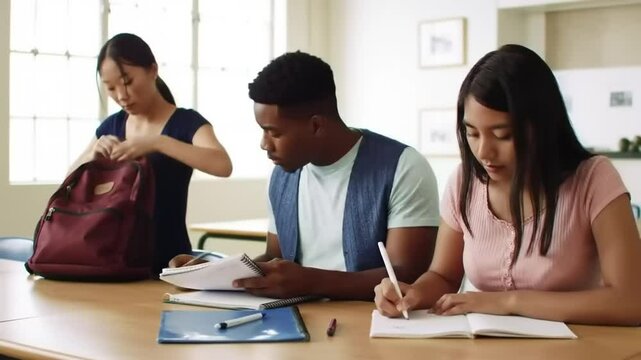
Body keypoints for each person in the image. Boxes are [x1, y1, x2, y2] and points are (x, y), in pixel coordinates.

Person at [374, 44, 641, 326]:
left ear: (542, 126)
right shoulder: (464, 183)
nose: (484, 152)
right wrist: (413, 293)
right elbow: (443, 277)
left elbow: (631, 301)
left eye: (502, 135)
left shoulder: (593, 179)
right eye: (472, 133)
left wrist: (506, 302)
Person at [171, 51, 440, 300]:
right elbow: (275, 258)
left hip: (374, 329)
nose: (264, 144)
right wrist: (215, 273)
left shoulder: (403, 167)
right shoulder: (282, 177)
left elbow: (407, 275)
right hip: (295, 327)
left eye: (273, 132)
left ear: (316, 125)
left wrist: (311, 282)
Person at [70, 33, 233, 273]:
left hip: (169, 263)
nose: (121, 95)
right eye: (111, 88)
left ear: (152, 70)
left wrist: (159, 143)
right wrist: (92, 155)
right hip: (111, 261)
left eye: (127, 81)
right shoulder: (111, 126)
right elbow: (68, 182)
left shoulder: (186, 122)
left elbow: (222, 165)